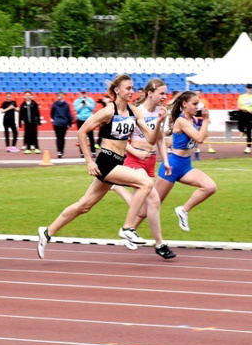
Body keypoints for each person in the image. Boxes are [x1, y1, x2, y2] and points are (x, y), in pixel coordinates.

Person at [37, 74, 167, 259]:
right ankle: (128, 227)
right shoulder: (108, 111)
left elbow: (151, 139)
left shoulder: (134, 112)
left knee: (84, 206)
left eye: (133, 88)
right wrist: (89, 161)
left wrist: (160, 121)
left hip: (118, 162)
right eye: (128, 88)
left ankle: (47, 232)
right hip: (106, 161)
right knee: (145, 184)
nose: (132, 92)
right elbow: (82, 132)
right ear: (117, 90)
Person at [110, 78, 176, 259]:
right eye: (161, 93)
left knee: (144, 210)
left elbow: (160, 138)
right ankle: (160, 244)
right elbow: (120, 140)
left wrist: (166, 160)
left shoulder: (161, 112)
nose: (165, 97)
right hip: (134, 159)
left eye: (165, 93)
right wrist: (136, 153)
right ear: (150, 93)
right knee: (154, 198)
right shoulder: (135, 111)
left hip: (150, 161)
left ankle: (117, 187)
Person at [155, 91, 217, 233]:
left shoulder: (192, 121)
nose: (197, 107)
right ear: (184, 104)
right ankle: (130, 228)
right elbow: (199, 139)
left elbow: (184, 140)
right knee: (153, 205)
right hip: (172, 166)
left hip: (185, 166)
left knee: (210, 187)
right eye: (194, 104)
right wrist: (206, 120)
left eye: (198, 104)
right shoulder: (181, 120)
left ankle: (183, 210)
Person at [193, 91, 216, 157]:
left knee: (205, 134)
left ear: (200, 94)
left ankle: (210, 148)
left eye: (198, 93)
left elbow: (206, 110)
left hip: (202, 119)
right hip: (195, 119)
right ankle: (197, 148)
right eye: (196, 93)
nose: (197, 94)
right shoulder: (192, 101)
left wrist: (208, 118)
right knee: (196, 134)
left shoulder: (203, 101)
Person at [73, 89, 96, 157]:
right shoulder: (77, 101)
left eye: (84, 93)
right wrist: (82, 103)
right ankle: (82, 152)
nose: (83, 94)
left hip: (89, 119)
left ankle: (93, 152)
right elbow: (77, 109)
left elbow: (92, 108)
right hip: (80, 119)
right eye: (82, 93)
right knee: (81, 136)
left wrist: (86, 101)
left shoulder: (90, 100)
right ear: (80, 93)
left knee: (91, 136)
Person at [51, 92, 73, 158]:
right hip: (64, 123)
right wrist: (70, 123)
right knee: (62, 137)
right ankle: (62, 151)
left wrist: (55, 119)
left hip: (57, 122)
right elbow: (68, 114)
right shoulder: (66, 105)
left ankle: (59, 151)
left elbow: (52, 113)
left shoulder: (54, 104)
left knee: (58, 137)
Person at [237, 84, 252, 153]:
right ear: (246, 89)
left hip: (250, 115)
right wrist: (246, 109)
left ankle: (248, 147)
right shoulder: (241, 96)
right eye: (248, 88)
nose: (249, 89)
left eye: (250, 88)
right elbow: (239, 107)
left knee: (249, 131)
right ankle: (243, 131)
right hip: (243, 114)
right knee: (240, 127)